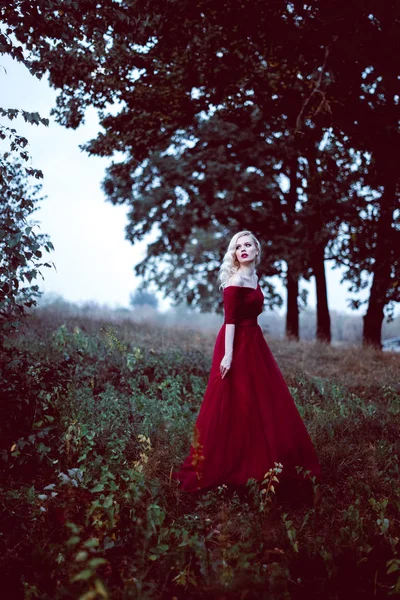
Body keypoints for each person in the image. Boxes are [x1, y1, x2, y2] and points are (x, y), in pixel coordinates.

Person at [171, 231, 320, 493]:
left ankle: (262, 461)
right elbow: (230, 321)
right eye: (238, 246)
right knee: (234, 398)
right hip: (235, 343)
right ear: (234, 253)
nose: (242, 249)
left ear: (256, 250)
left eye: (247, 245)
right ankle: (225, 463)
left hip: (254, 342)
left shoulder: (255, 277)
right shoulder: (234, 281)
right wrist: (228, 354)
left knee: (260, 400)